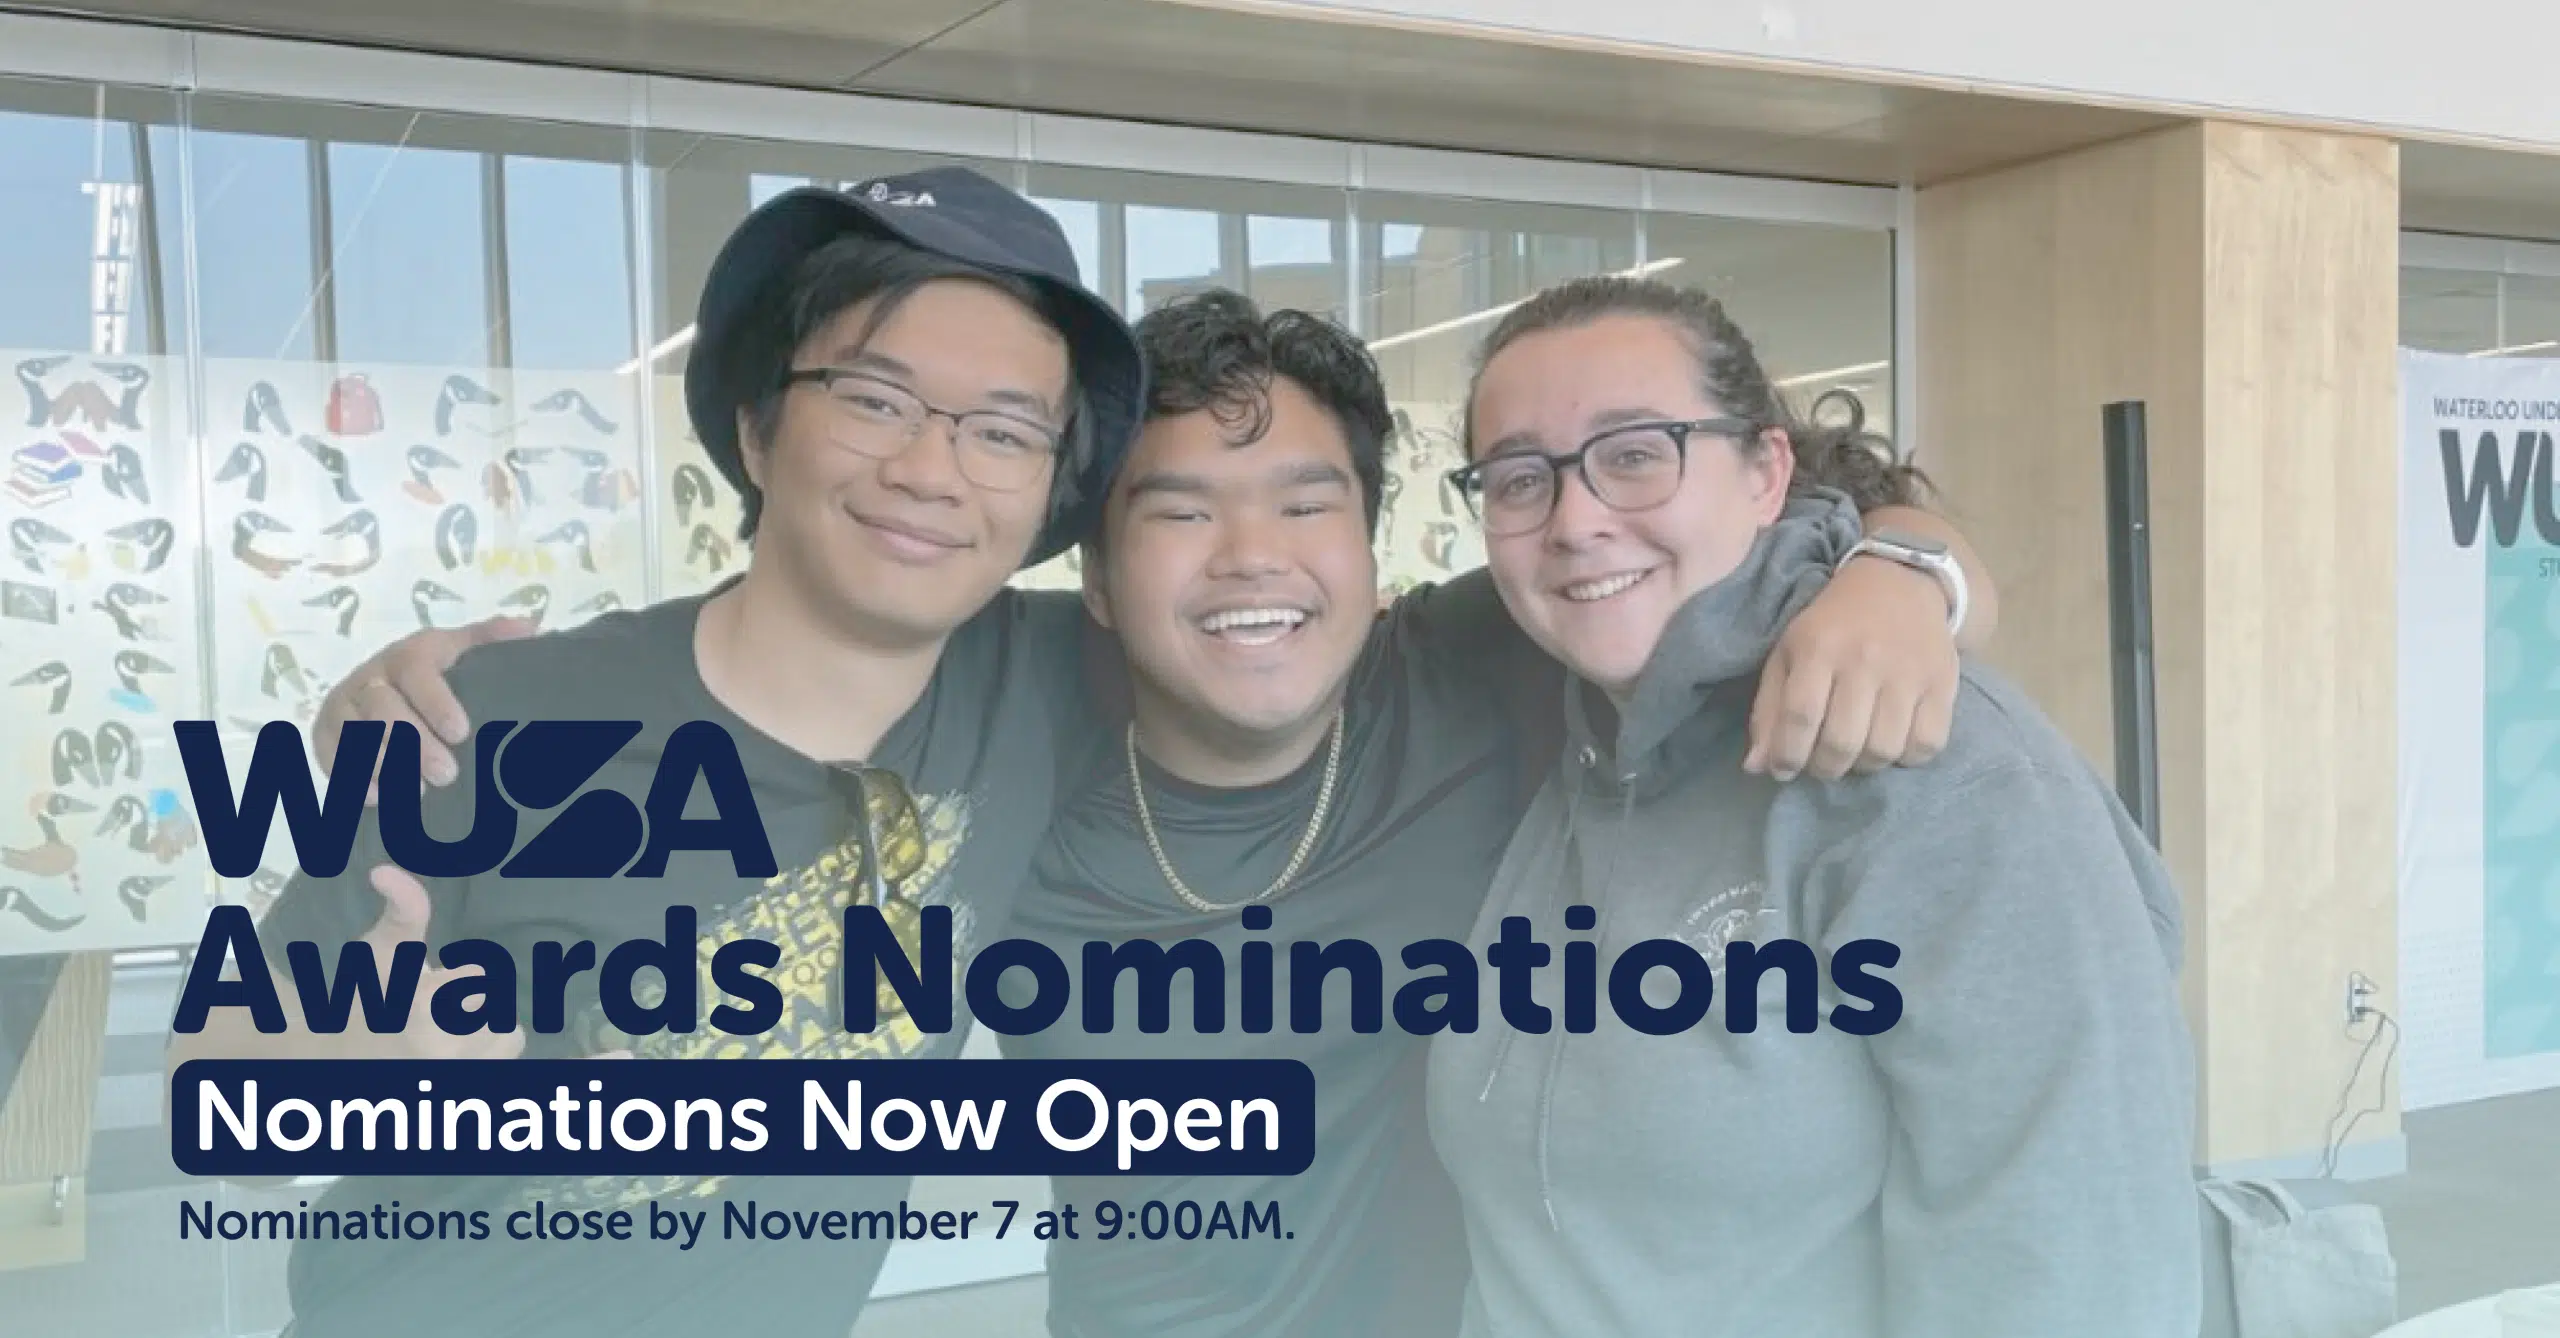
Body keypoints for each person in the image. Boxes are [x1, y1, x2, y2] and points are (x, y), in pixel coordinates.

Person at [309, 285, 2005, 1335]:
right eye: (1176, 511)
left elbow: (1752, 507)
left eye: (1305, 503)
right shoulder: (1004, 705)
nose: (1250, 560)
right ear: (1098, 578)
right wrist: (436, 689)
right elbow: (800, 621)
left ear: (1373, 542)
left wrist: (1905, 570)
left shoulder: (1473, 664)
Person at [164, 165, 1145, 1338]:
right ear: (756, 428)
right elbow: (205, 1086)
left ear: (1047, 494)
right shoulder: (491, 722)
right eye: (874, 400)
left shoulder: (1046, 685)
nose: (930, 472)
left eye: (1000, 431)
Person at [1425, 275, 2201, 1338]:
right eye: (1520, 478)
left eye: (1637, 454)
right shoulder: (1561, 728)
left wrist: (1905, 567)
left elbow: (2070, 1272)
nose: (1576, 520)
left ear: (1764, 469)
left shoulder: (1940, 769)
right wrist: (1910, 556)